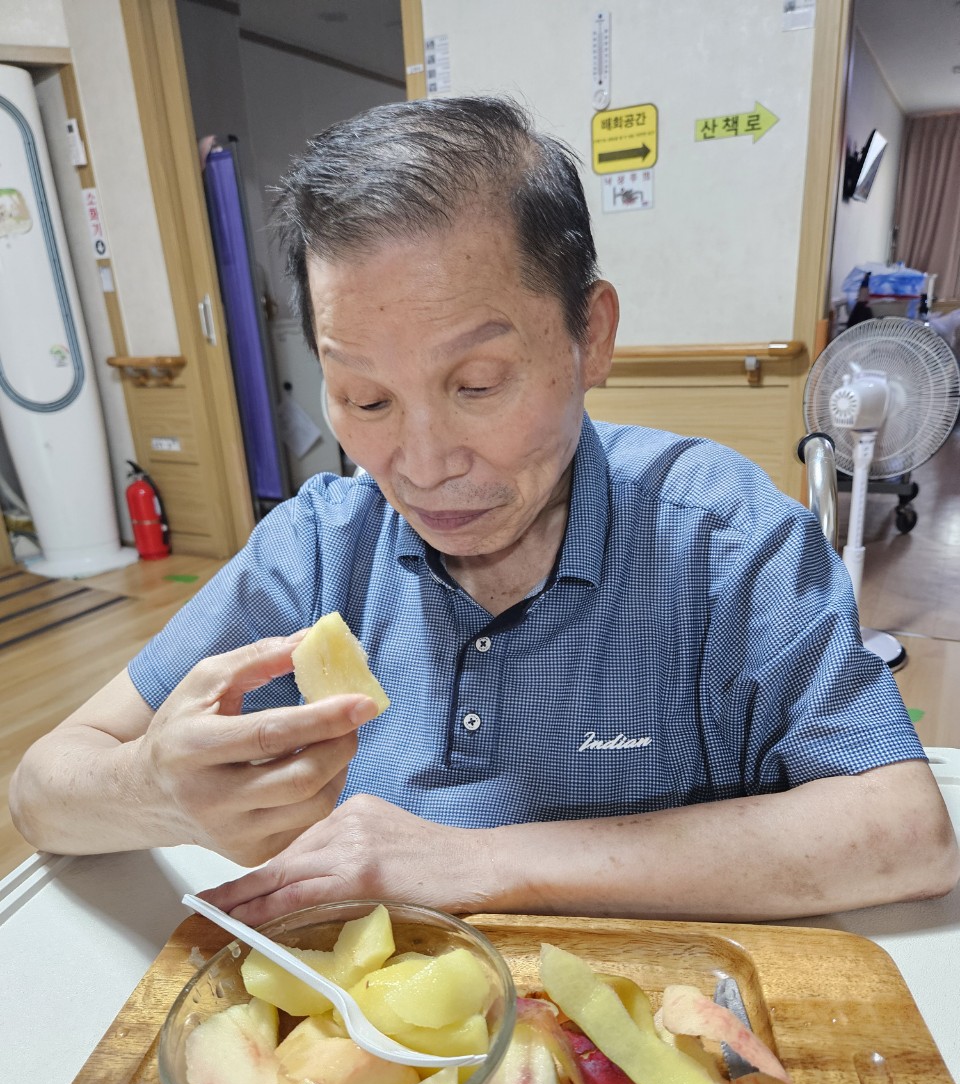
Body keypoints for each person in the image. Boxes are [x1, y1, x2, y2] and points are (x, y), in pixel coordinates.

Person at [9, 97, 957, 926]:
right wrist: (153, 789)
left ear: (591, 335)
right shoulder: (319, 548)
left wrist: (480, 863)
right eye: (366, 399)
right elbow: (41, 789)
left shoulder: (724, 539)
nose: (422, 466)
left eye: (477, 383)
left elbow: (906, 834)